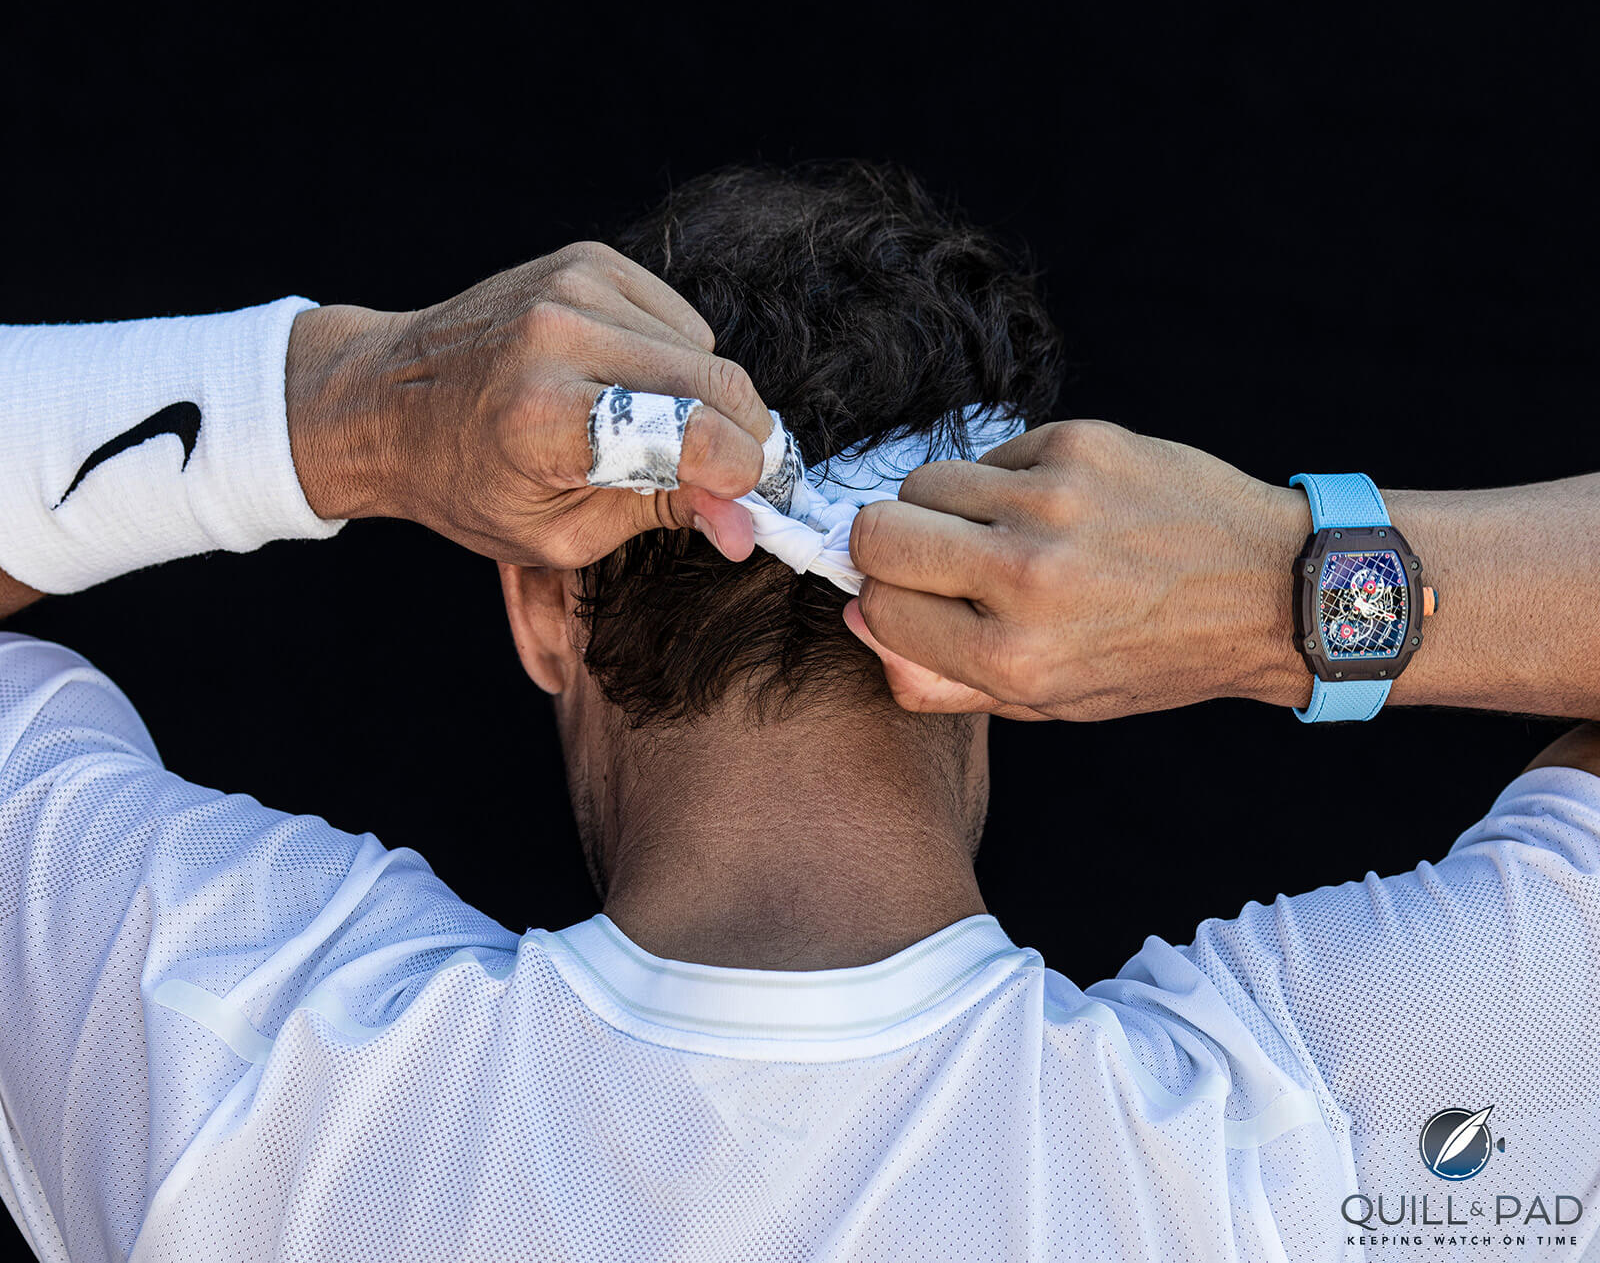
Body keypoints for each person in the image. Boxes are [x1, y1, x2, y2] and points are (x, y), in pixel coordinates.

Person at [0, 162, 1595, 1262]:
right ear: (1024, 629)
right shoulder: (1329, 1140)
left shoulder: (220, 1050)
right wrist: (1286, 588)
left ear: (541, 602)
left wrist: (353, 408)